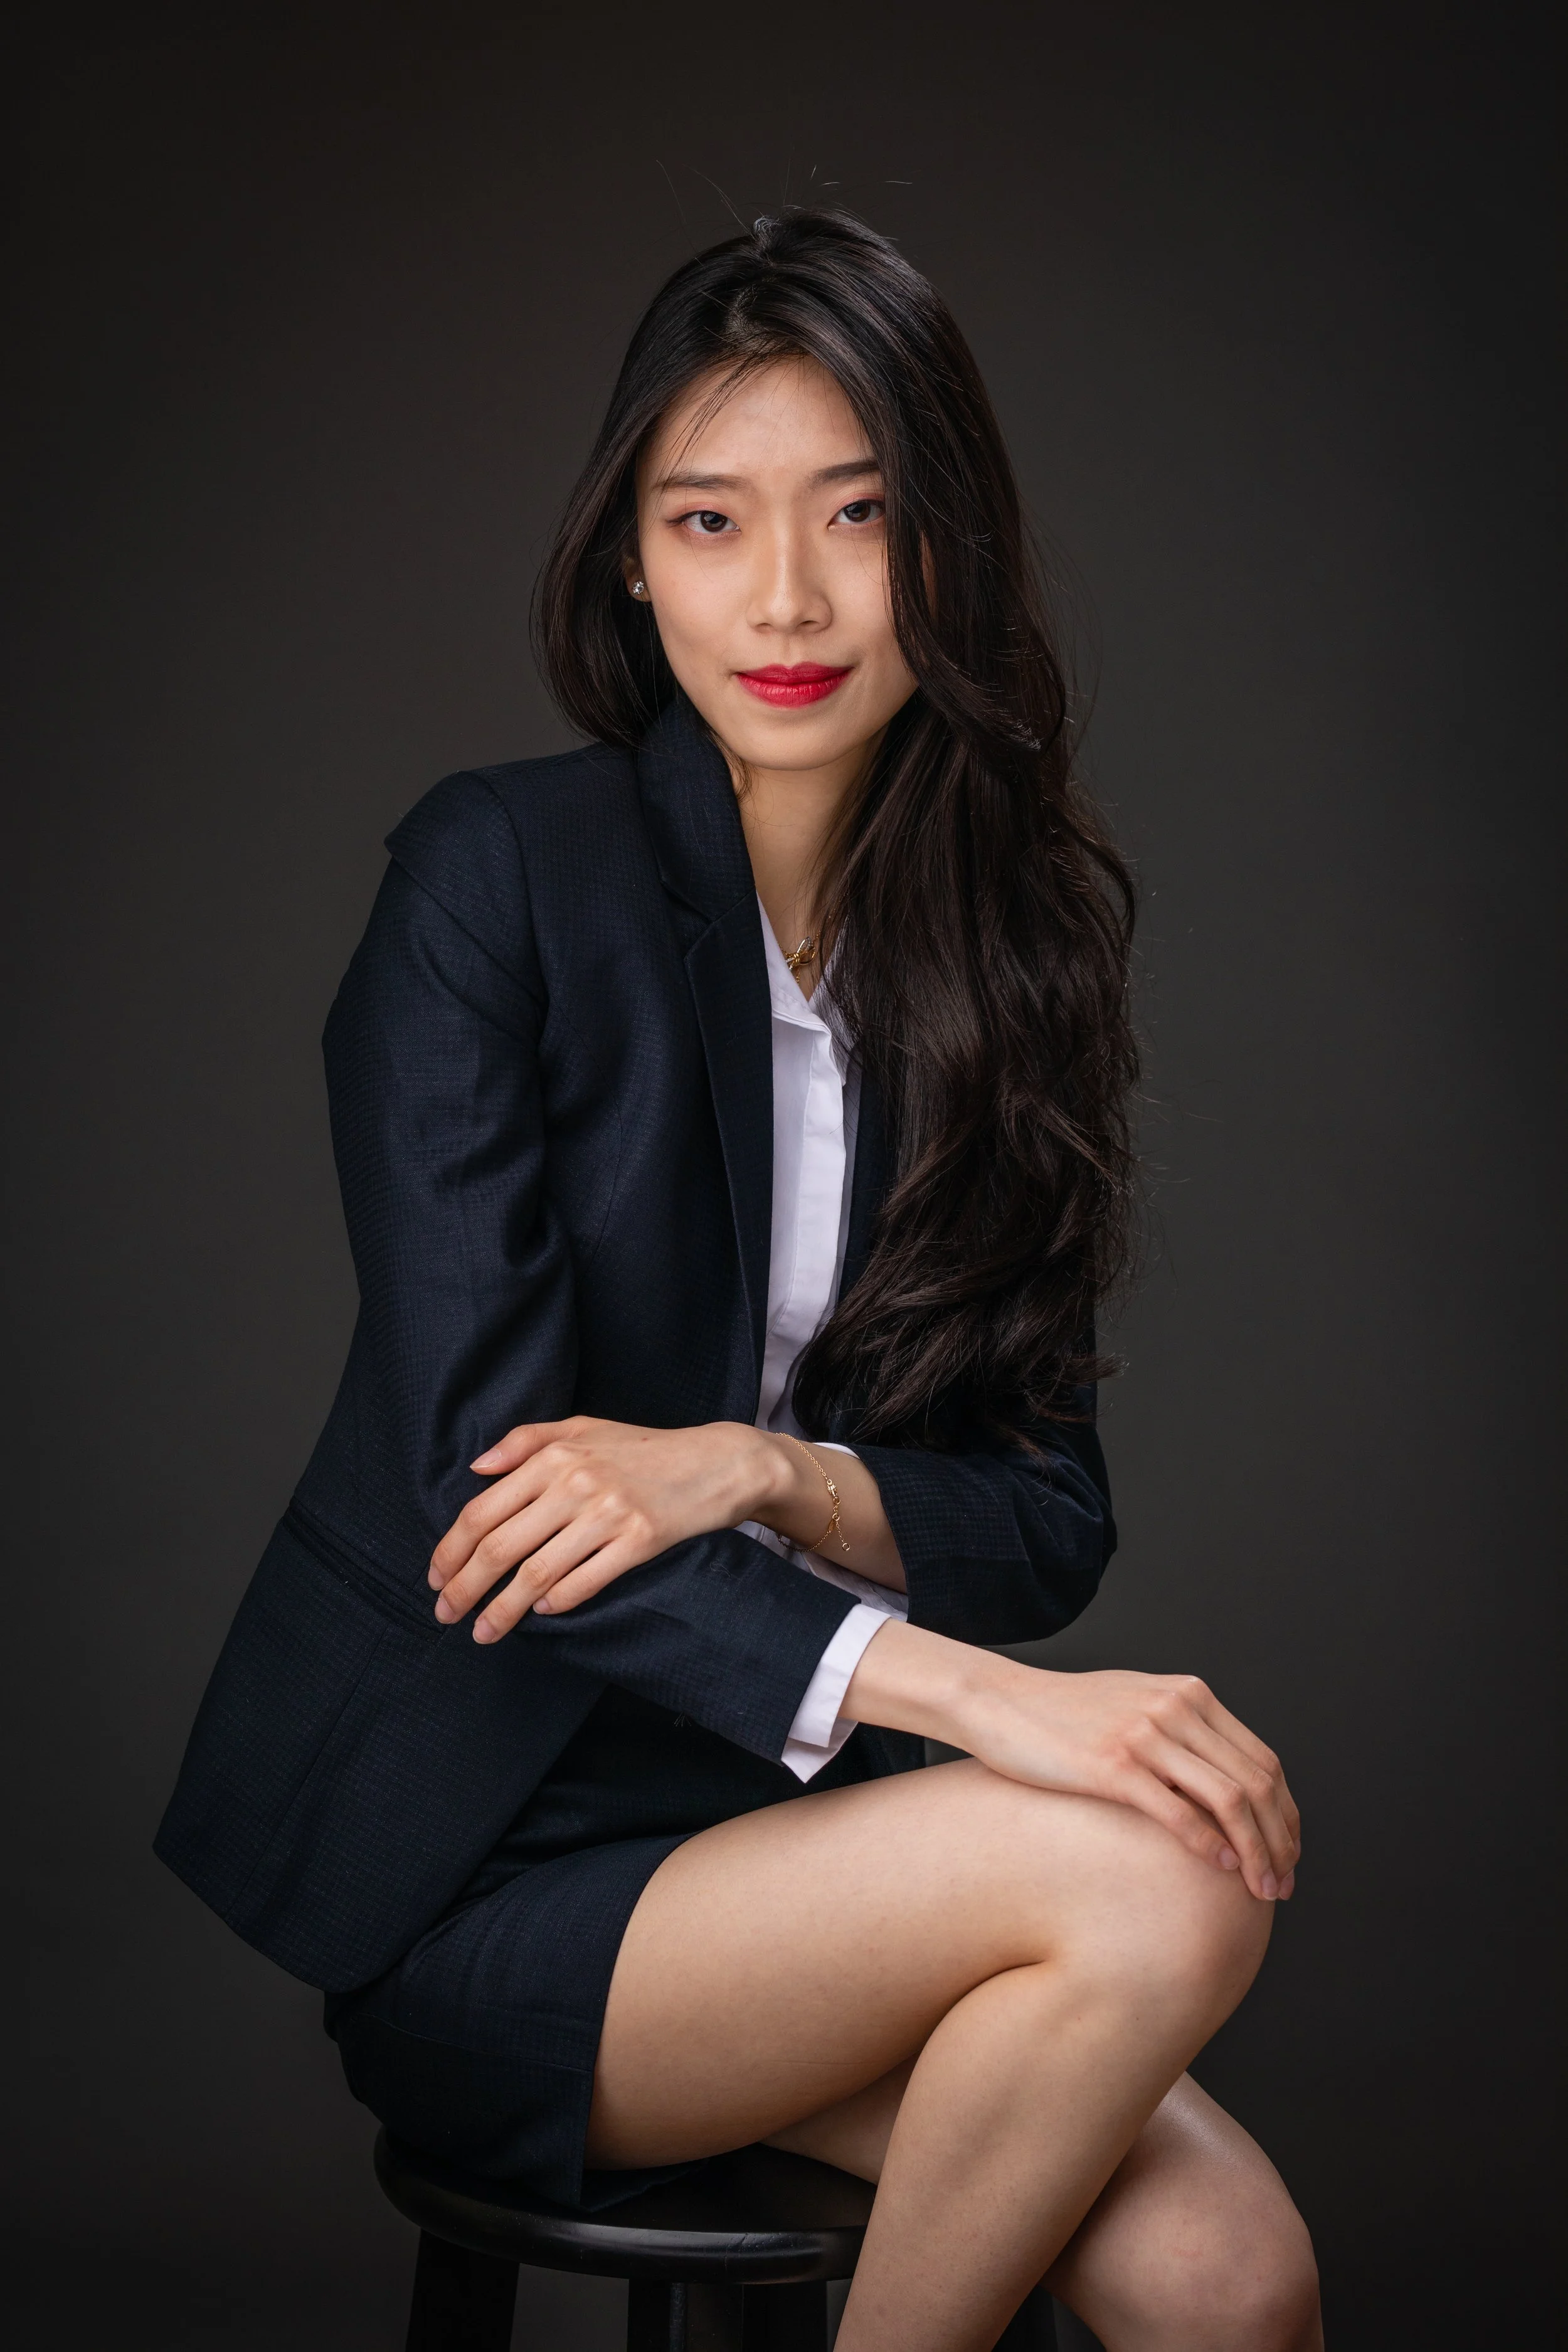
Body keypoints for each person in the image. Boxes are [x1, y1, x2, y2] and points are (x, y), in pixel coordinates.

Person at [157, 209, 1322, 2351]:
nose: (783, 598)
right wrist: (976, 1699)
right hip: (486, 1864)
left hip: (793, 1860)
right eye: (709, 520)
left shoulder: (1007, 954)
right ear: (631, 558)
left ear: (947, 551)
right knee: (1149, 1864)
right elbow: (480, 1503)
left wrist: (759, 1475)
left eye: (858, 519)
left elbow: (1044, 1511)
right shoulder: (495, 882)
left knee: (1232, 2273)